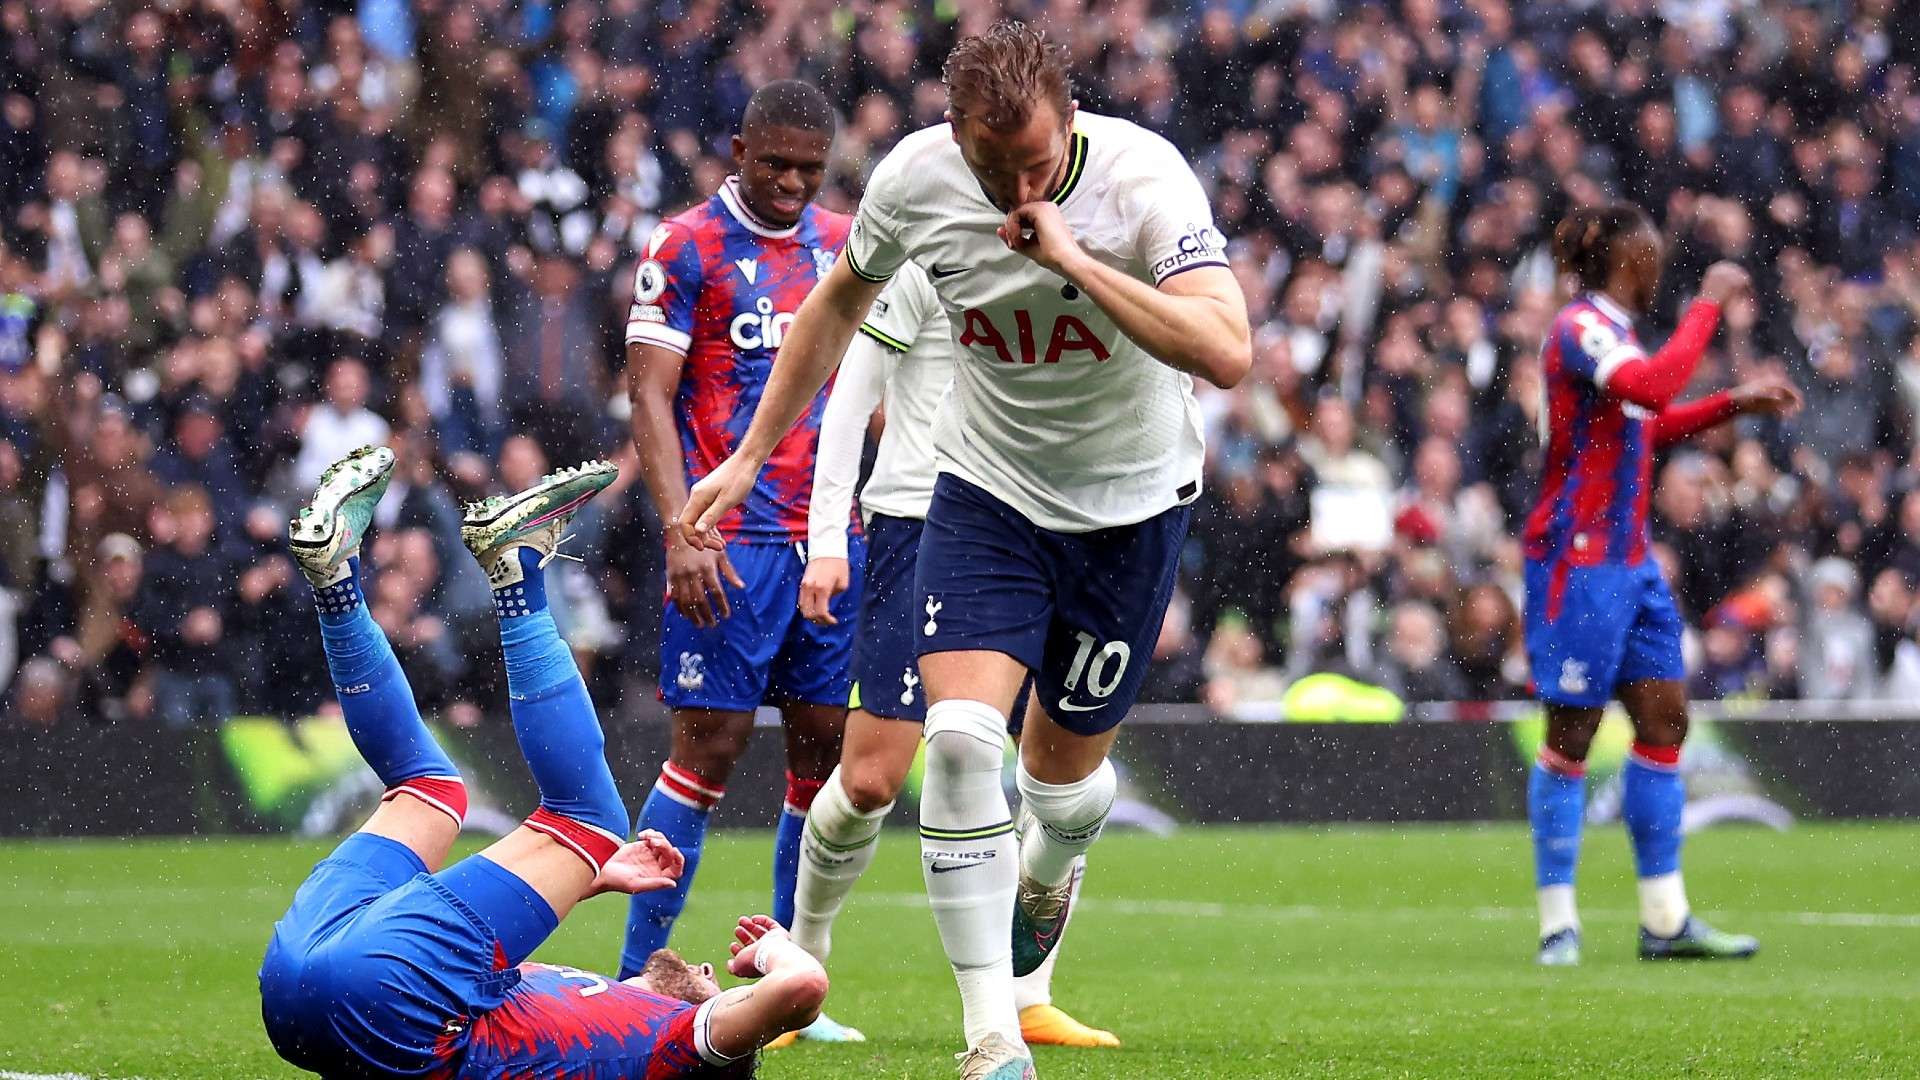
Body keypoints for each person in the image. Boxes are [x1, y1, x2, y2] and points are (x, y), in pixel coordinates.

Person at [679, 23, 1251, 1078]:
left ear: (1071, 122)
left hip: (1131, 509)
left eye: (1036, 163)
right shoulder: (918, 181)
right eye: (996, 169)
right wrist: (755, 458)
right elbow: (835, 313)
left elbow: (1225, 349)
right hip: (985, 496)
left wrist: (1076, 258)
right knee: (950, 742)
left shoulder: (1141, 179)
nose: (1016, 187)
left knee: (1068, 791)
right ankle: (991, 1036)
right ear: (956, 135)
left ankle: (1046, 888)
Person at [259, 445, 829, 1078]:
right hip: (300, 994)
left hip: (391, 1003)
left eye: (715, 989)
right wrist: (593, 879)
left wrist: (777, 950)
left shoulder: (674, 1047)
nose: (703, 968)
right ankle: (337, 582)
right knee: (428, 790)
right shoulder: (588, 1017)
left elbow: (802, 988)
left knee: (590, 817)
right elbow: (471, 960)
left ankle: (518, 571)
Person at [791, 261, 1119, 1050]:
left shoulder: (1074, 256)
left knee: (1060, 775)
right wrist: (827, 537)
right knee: (871, 777)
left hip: (1050, 527)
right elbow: (852, 396)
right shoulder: (926, 255)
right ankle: (799, 964)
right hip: (920, 521)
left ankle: (1027, 992)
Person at [621, 78, 864, 1043]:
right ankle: (643, 976)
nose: (793, 184)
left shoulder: (845, 245)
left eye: (810, 168)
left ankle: (790, 992)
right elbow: (649, 397)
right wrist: (682, 527)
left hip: (830, 538)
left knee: (823, 755)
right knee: (708, 751)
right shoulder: (684, 246)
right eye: (776, 165)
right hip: (731, 537)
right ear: (738, 150)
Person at [1522, 204, 1802, 967]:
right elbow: (1649, 389)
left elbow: (1649, 423)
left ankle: (1665, 920)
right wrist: (1710, 299)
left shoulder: (1614, 335)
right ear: (1628, 259)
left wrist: (1732, 404)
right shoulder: (1579, 329)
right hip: (1577, 563)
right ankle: (1558, 924)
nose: (1661, 268)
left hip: (1632, 560)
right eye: (1652, 255)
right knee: (1572, 735)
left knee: (1665, 721)